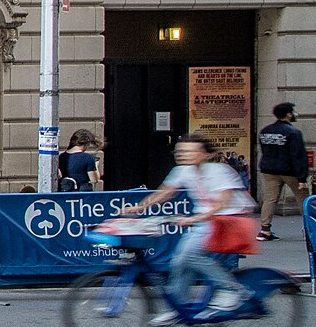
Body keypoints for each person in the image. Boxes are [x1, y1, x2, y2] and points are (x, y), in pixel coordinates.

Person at [120, 133, 256, 325]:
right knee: (179, 262)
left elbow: (223, 203)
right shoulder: (181, 171)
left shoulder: (219, 171)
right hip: (207, 222)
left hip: (231, 220)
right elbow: (164, 193)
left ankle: (232, 289)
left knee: (189, 256)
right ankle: (179, 308)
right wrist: (139, 208)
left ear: (205, 154)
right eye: (180, 151)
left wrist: (195, 218)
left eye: (189, 151)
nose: (182, 154)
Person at [257, 102, 308, 240]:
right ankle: (309, 229)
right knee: (303, 199)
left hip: (269, 170)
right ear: (288, 114)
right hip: (290, 171)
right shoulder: (293, 132)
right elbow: (298, 156)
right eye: (293, 112)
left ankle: (265, 230)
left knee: (270, 199)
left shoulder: (265, 130)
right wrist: (302, 178)